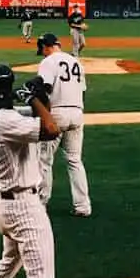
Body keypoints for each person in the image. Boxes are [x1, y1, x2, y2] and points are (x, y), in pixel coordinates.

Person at [0, 62, 61, 278]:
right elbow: (52, 128)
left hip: (4, 207)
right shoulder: (6, 121)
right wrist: (32, 99)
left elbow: (41, 116)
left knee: (8, 263)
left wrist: (38, 98)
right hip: (24, 209)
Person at [35, 33, 92, 218]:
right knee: (75, 160)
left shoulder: (48, 62)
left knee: (44, 160)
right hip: (77, 113)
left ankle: (41, 204)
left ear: (46, 46)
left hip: (57, 113)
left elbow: (44, 91)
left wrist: (45, 117)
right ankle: (83, 206)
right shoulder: (76, 62)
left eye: (42, 49)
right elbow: (83, 92)